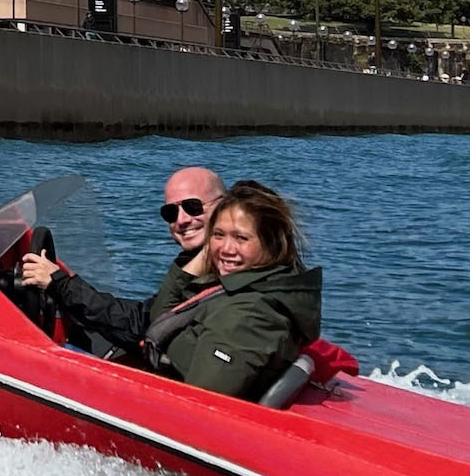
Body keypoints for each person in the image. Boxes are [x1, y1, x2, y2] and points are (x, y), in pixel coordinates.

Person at [17, 165, 227, 362]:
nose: (181, 220)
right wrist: (64, 287)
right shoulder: (196, 267)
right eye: (170, 213)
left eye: (193, 207)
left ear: (224, 207)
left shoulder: (225, 274)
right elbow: (146, 317)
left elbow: (141, 326)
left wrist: (59, 284)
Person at [150, 181, 322, 402]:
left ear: (271, 243)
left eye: (241, 238)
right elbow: (162, 317)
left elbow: (203, 403)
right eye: (219, 234)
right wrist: (210, 253)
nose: (227, 249)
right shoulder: (254, 287)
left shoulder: (247, 315)